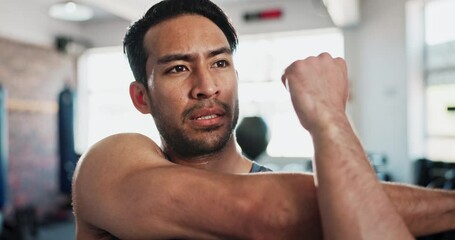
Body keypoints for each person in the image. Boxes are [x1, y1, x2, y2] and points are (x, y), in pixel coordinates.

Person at [72, 0, 455, 239]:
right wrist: (327, 116)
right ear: (142, 97)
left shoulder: (285, 187)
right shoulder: (111, 163)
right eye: (177, 69)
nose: (207, 86)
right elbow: (264, 212)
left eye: (220, 63)